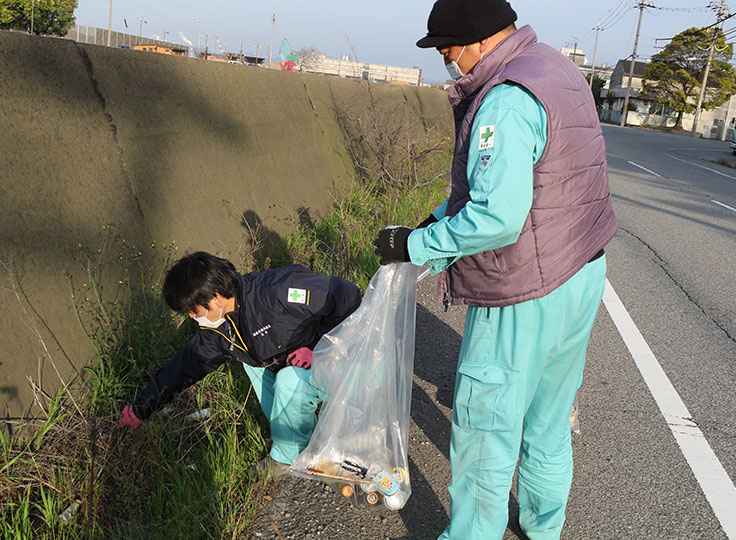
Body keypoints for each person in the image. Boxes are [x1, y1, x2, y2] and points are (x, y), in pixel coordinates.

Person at [374, 1, 618, 538]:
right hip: (579, 270)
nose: (447, 61)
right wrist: (432, 224)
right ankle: (541, 527)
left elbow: (496, 218)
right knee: (549, 421)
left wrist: (415, 246)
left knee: (486, 428)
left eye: (447, 49)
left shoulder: (504, 100)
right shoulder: (554, 67)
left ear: (479, 39)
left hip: (523, 289)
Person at [117, 252, 361, 477]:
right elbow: (184, 367)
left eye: (193, 310)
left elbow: (348, 295)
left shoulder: (277, 292)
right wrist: (140, 409)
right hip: (304, 367)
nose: (192, 317)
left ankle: (287, 457)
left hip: (350, 362)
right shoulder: (219, 330)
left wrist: (322, 348)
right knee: (252, 365)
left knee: (289, 379)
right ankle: (298, 437)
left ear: (216, 298)